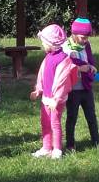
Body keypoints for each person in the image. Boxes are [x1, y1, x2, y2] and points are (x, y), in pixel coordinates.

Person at [30, 25, 78, 160]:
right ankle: (46, 148)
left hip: (56, 99)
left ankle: (57, 149)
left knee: (54, 123)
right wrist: (38, 89)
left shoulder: (63, 59)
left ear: (52, 43)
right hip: (46, 97)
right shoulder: (48, 57)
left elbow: (63, 82)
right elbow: (42, 75)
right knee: (45, 122)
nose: (43, 45)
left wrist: (57, 99)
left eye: (44, 42)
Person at [62, 18, 99, 150]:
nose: (85, 40)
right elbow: (64, 66)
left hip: (86, 87)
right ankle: (70, 145)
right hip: (73, 89)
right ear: (74, 34)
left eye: (87, 38)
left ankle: (96, 142)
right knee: (72, 117)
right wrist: (80, 68)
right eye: (83, 37)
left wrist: (91, 66)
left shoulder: (86, 45)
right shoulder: (66, 47)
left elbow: (89, 59)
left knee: (91, 116)